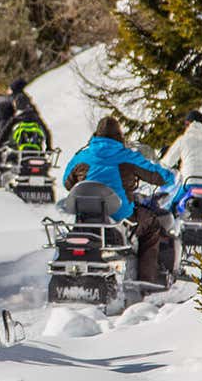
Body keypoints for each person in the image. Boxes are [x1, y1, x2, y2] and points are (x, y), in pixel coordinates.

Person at [60, 116, 175, 284]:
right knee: (152, 225)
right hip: (120, 215)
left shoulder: (82, 156)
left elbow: (66, 182)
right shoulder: (126, 156)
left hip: (85, 215)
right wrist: (171, 176)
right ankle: (147, 281)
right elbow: (158, 176)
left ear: (96, 135)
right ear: (119, 136)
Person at [159, 110, 202, 216]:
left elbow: (167, 162)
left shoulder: (182, 140)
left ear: (188, 123)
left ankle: (170, 223)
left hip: (189, 182)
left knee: (172, 204)